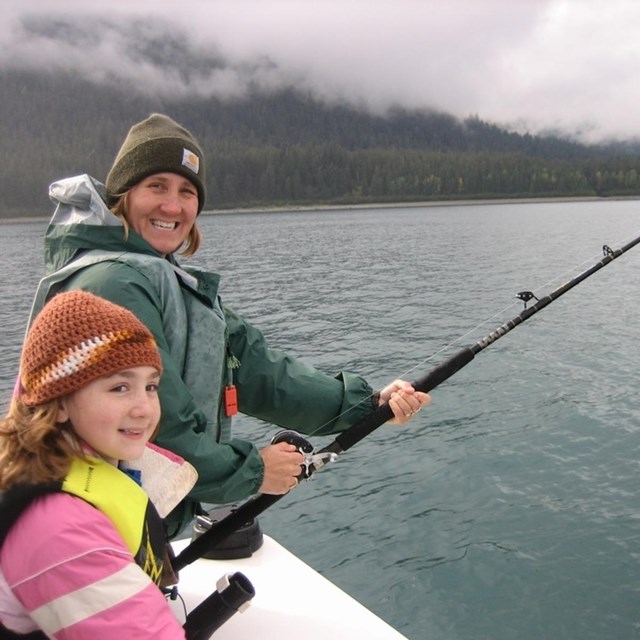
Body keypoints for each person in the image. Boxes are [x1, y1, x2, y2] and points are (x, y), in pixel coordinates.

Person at [29, 113, 431, 538]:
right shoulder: (112, 285)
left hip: (133, 521)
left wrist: (367, 406)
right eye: (156, 186)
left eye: (187, 191)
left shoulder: (164, 279)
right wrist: (252, 471)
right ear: (123, 196)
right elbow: (151, 424)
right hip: (92, 529)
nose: (172, 205)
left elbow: (262, 373)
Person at [0, 290, 192, 638]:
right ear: (57, 404)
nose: (144, 408)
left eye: (150, 386)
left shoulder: (36, 461)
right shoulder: (61, 530)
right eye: (119, 387)